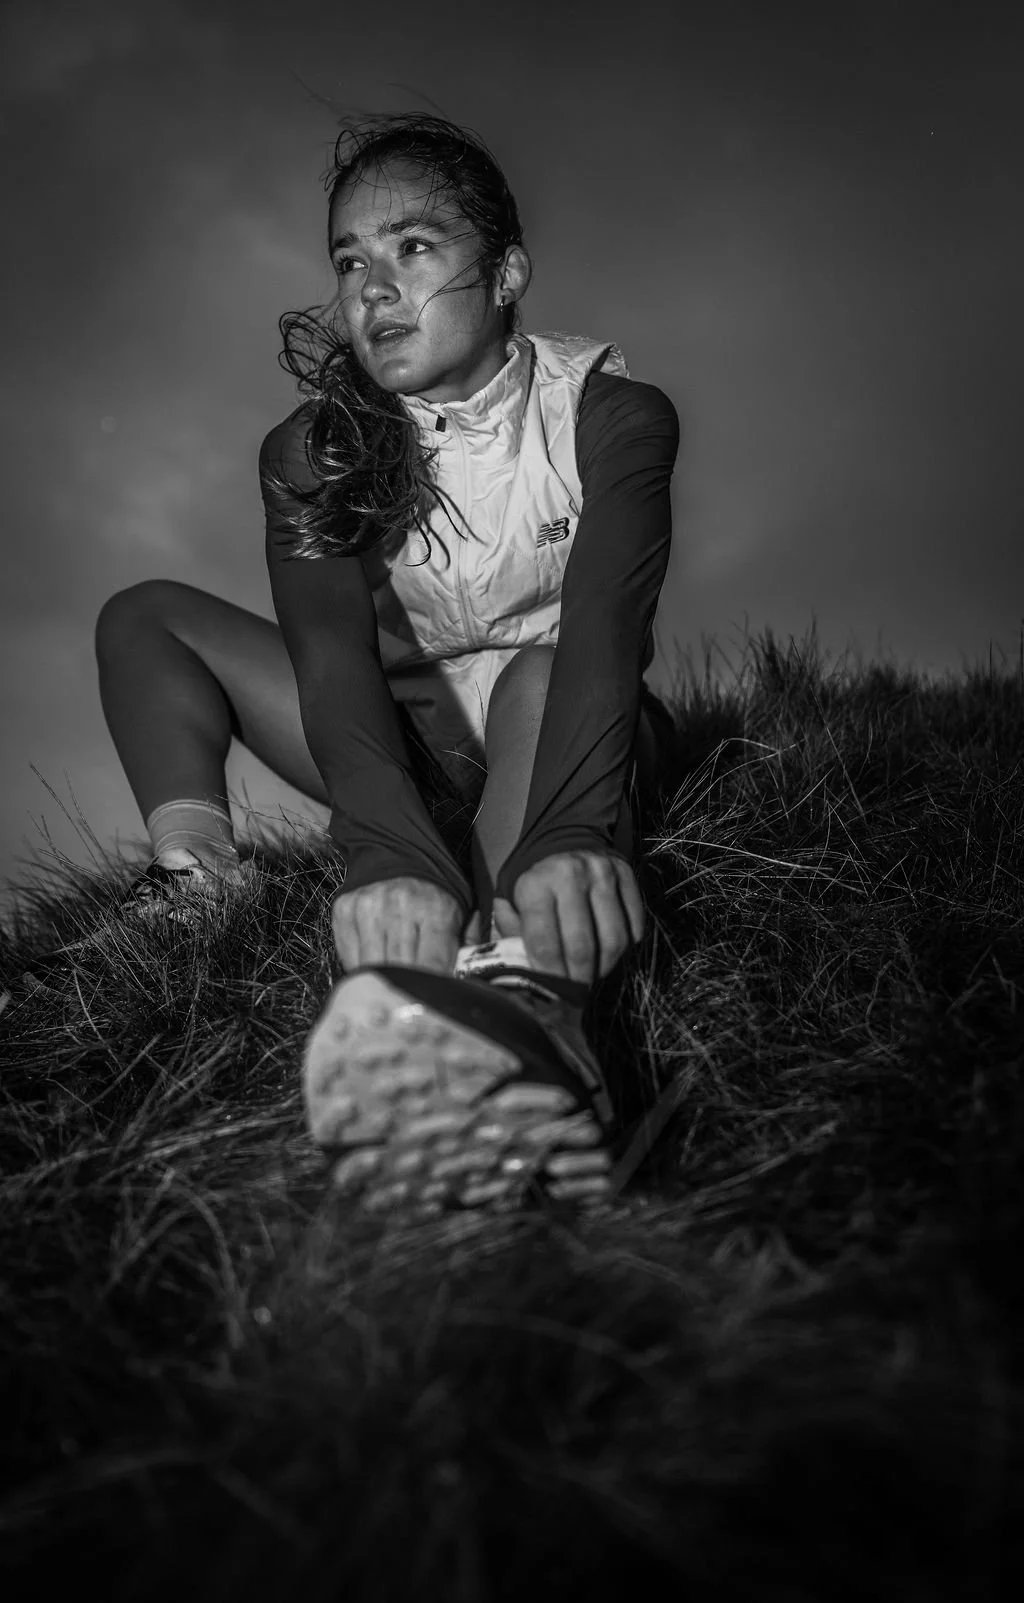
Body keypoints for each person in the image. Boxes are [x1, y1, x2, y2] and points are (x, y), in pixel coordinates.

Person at [93, 114, 680, 1215]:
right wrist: (386, 852)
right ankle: (198, 876)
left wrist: (569, 834)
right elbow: (331, 666)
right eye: (351, 262)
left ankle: (528, 1008)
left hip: (566, 727)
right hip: (410, 750)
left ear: (505, 272)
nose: (372, 288)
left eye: (413, 248)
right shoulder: (309, 450)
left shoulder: (613, 414)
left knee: (540, 672)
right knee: (147, 617)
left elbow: (606, 628)